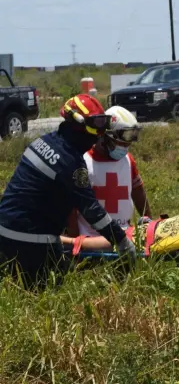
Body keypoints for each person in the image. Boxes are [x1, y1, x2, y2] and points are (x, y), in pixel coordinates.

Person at [0, 95, 136, 290]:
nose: (99, 133)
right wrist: (122, 241)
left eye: (102, 123)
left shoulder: (43, 142)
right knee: (51, 292)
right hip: (30, 240)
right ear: (78, 125)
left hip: (4, 230)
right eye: (96, 124)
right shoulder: (70, 162)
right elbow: (91, 209)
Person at [60, 106, 152, 255]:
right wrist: (76, 241)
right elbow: (72, 209)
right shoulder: (83, 161)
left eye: (127, 144)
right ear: (104, 137)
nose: (125, 148)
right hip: (91, 240)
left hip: (124, 236)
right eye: (121, 143)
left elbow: (138, 191)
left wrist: (149, 221)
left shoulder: (128, 160)